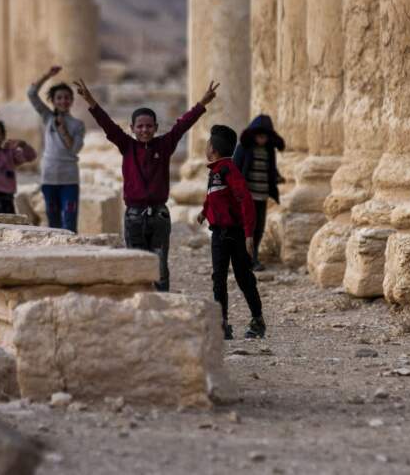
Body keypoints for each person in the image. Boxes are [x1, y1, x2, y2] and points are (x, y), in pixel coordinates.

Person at [73, 77, 219, 291]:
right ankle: (139, 303)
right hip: (134, 215)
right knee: (135, 263)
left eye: (149, 126)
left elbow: (182, 125)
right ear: (132, 128)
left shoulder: (165, 144)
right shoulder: (127, 146)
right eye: (140, 126)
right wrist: (91, 101)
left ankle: (162, 303)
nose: (144, 130)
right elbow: (108, 125)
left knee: (160, 264)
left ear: (156, 127)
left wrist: (202, 104)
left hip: (159, 215)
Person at [197, 124, 266, 340]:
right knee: (218, 278)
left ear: (213, 149)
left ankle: (257, 320)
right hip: (218, 234)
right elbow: (213, 197)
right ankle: (222, 323)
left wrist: (248, 234)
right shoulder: (215, 171)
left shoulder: (229, 170)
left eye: (208, 145)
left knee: (244, 277)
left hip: (235, 234)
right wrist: (204, 212)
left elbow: (245, 200)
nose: (206, 148)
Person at [28, 65, 86, 231]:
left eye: (67, 98)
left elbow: (74, 149)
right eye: (59, 98)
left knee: (70, 218)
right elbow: (31, 94)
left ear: (72, 101)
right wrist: (46, 75)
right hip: (49, 177)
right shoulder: (47, 118)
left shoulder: (78, 125)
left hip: (69, 179)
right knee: (53, 220)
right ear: (53, 101)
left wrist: (63, 130)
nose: (63, 101)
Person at [232, 114, 286, 271]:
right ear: (254, 135)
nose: (262, 139)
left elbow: (271, 170)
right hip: (247, 197)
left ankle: (252, 257)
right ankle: (246, 259)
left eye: (265, 136)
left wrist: (277, 178)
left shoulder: (269, 150)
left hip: (262, 196)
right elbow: (235, 169)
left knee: (259, 228)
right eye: (259, 136)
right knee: (246, 228)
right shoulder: (243, 148)